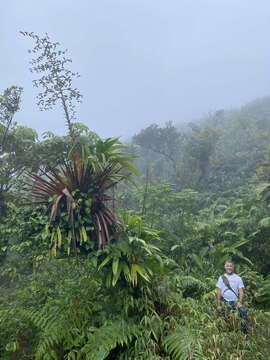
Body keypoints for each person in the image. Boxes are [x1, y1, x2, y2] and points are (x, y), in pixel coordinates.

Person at [216, 260, 248, 334]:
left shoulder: (238, 278)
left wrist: (240, 302)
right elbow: (218, 292)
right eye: (227, 266)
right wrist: (218, 304)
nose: (229, 267)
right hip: (224, 301)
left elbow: (241, 292)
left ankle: (245, 333)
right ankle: (222, 333)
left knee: (243, 312)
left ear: (233, 267)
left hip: (235, 302)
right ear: (225, 267)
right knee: (221, 317)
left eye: (231, 266)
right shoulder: (221, 278)